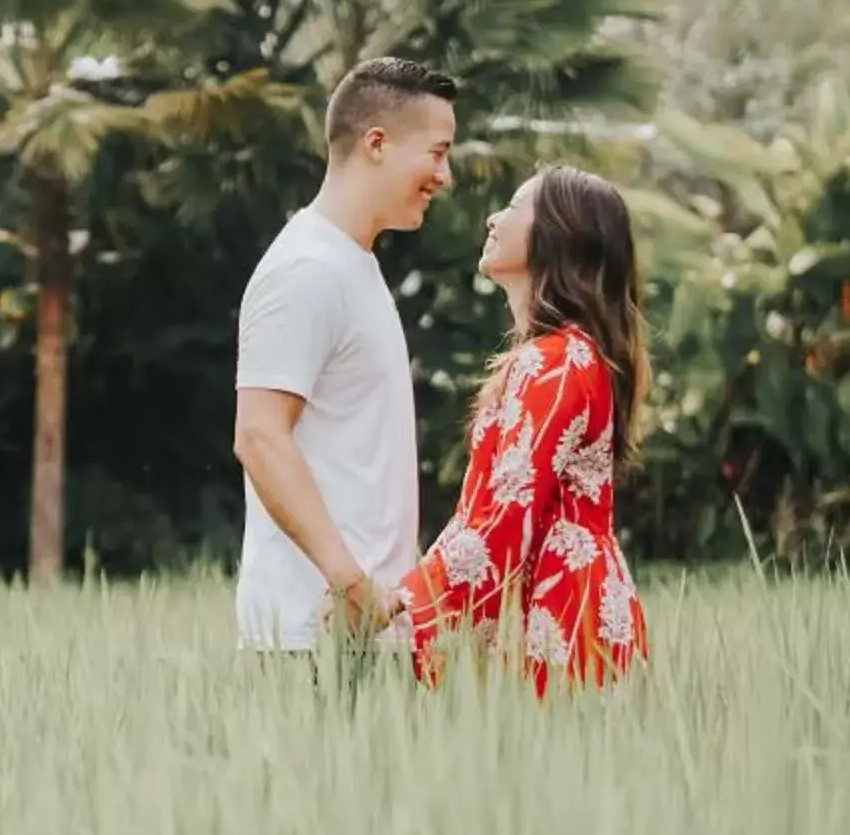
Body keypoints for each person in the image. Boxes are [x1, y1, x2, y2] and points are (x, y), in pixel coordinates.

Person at [232, 58, 459, 652]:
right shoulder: (307, 269)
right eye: (437, 153)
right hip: (311, 638)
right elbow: (259, 436)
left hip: (362, 634)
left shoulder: (352, 264)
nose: (445, 175)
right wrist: (350, 581)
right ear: (376, 143)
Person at [398, 166, 650, 693]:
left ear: (556, 234)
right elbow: (489, 510)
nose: (493, 217)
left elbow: (507, 512)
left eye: (513, 206)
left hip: (558, 616)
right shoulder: (566, 357)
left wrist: (403, 603)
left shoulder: (557, 363)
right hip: (558, 607)